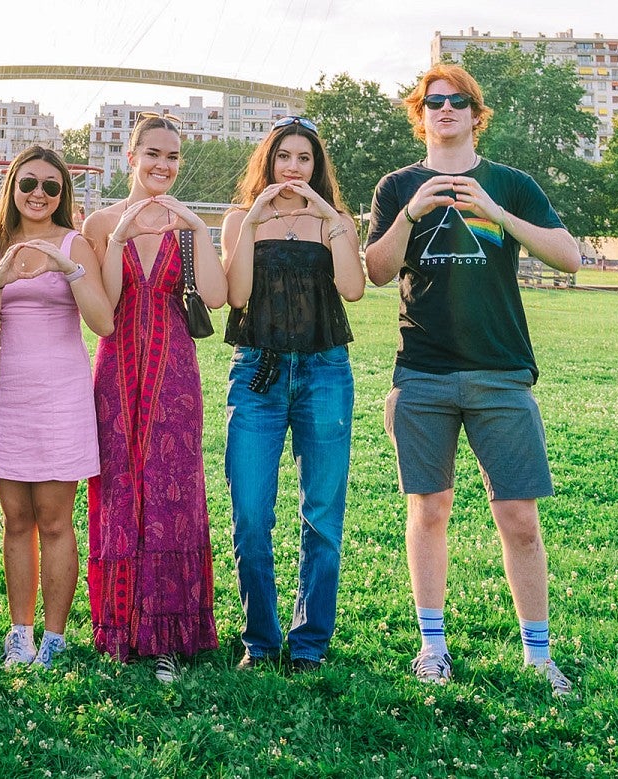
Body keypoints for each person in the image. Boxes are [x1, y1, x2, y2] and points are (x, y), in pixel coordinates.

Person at [363, 63, 581, 697]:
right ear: (420, 114)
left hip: (502, 373)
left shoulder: (510, 183)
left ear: (476, 113)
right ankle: (433, 647)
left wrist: (492, 210)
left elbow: (568, 257)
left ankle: (537, 654)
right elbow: (375, 273)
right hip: (423, 373)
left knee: (518, 516)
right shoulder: (396, 184)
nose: (446, 110)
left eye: (458, 101)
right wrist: (409, 211)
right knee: (428, 510)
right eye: (434, 103)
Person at [81, 115, 226, 682]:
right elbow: (105, 312)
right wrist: (118, 240)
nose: (163, 165)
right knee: (118, 487)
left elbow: (214, 296)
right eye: (153, 154)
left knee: (171, 494)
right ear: (130, 156)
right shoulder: (98, 222)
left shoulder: (186, 227)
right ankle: (118, 625)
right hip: (117, 371)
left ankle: (167, 633)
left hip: (173, 376)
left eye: (173, 157)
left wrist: (198, 230)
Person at [219, 116, 364, 674]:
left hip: (324, 371)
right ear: (269, 161)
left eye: (305, 159)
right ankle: (259, 639)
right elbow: (236, 294)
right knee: (251, 514)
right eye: (284, 157)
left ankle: (308, 644)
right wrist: (255, 217)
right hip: (257, 375)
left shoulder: (335, 222)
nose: (293, 169)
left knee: (322, 515)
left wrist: (329, 217)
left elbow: (352, 288)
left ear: (316, 166)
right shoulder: (240, 219)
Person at [0, 146, 114, 670]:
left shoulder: (76, 243)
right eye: (28, 183)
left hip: (61, 397)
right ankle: (20, 634)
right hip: (12, 395)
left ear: (63, 195)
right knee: (16, 520)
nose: (38, 194)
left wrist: (68, 267)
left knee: (55, 521)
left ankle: (54, 639)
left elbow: (103, 323)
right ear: (12, 187)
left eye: (50, 187)